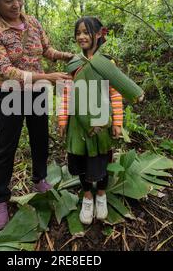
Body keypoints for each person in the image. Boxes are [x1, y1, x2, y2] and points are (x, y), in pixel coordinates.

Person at [0, 0, 74, 230]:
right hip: (11, 92)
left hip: (37, 91)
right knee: (6, 146)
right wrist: (48, 76)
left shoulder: (32, 22)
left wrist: (70, 57)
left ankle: (40, 177)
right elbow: (5, 70)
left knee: (40, 137)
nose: (16, 5)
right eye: (9, 1)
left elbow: (47, 50)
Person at [58, 16, 144, 224]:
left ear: (98, 35)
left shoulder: (107, 64)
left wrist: (117, 122)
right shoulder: (73, 65)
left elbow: (115, 95)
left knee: (101, 159)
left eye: (86, 32)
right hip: (77, 125)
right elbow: (65, 93)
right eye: (78, 33)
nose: (81, 36)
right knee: (80, 160)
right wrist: (62, 119)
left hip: (101, 123)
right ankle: (87, 197)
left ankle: (101, 195)